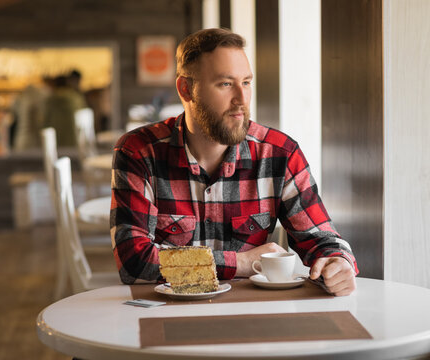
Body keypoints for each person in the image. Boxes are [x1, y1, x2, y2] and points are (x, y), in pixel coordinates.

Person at [111, 28, 358, 296]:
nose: (242, 100)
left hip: (251, 319)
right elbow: (133, 261)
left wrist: (338, 262)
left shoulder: (280, 154)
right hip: (166, 318)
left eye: (247, 82)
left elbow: (321, 239)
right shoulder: (138, 152)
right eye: (226, 84)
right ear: (186, 89)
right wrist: (240, 262)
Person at [43, 73, 86, 147]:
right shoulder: (76, 98)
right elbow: (84, 118)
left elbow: (45, 122)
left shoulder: (50, 100)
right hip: (74, 140)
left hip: (57, 142)